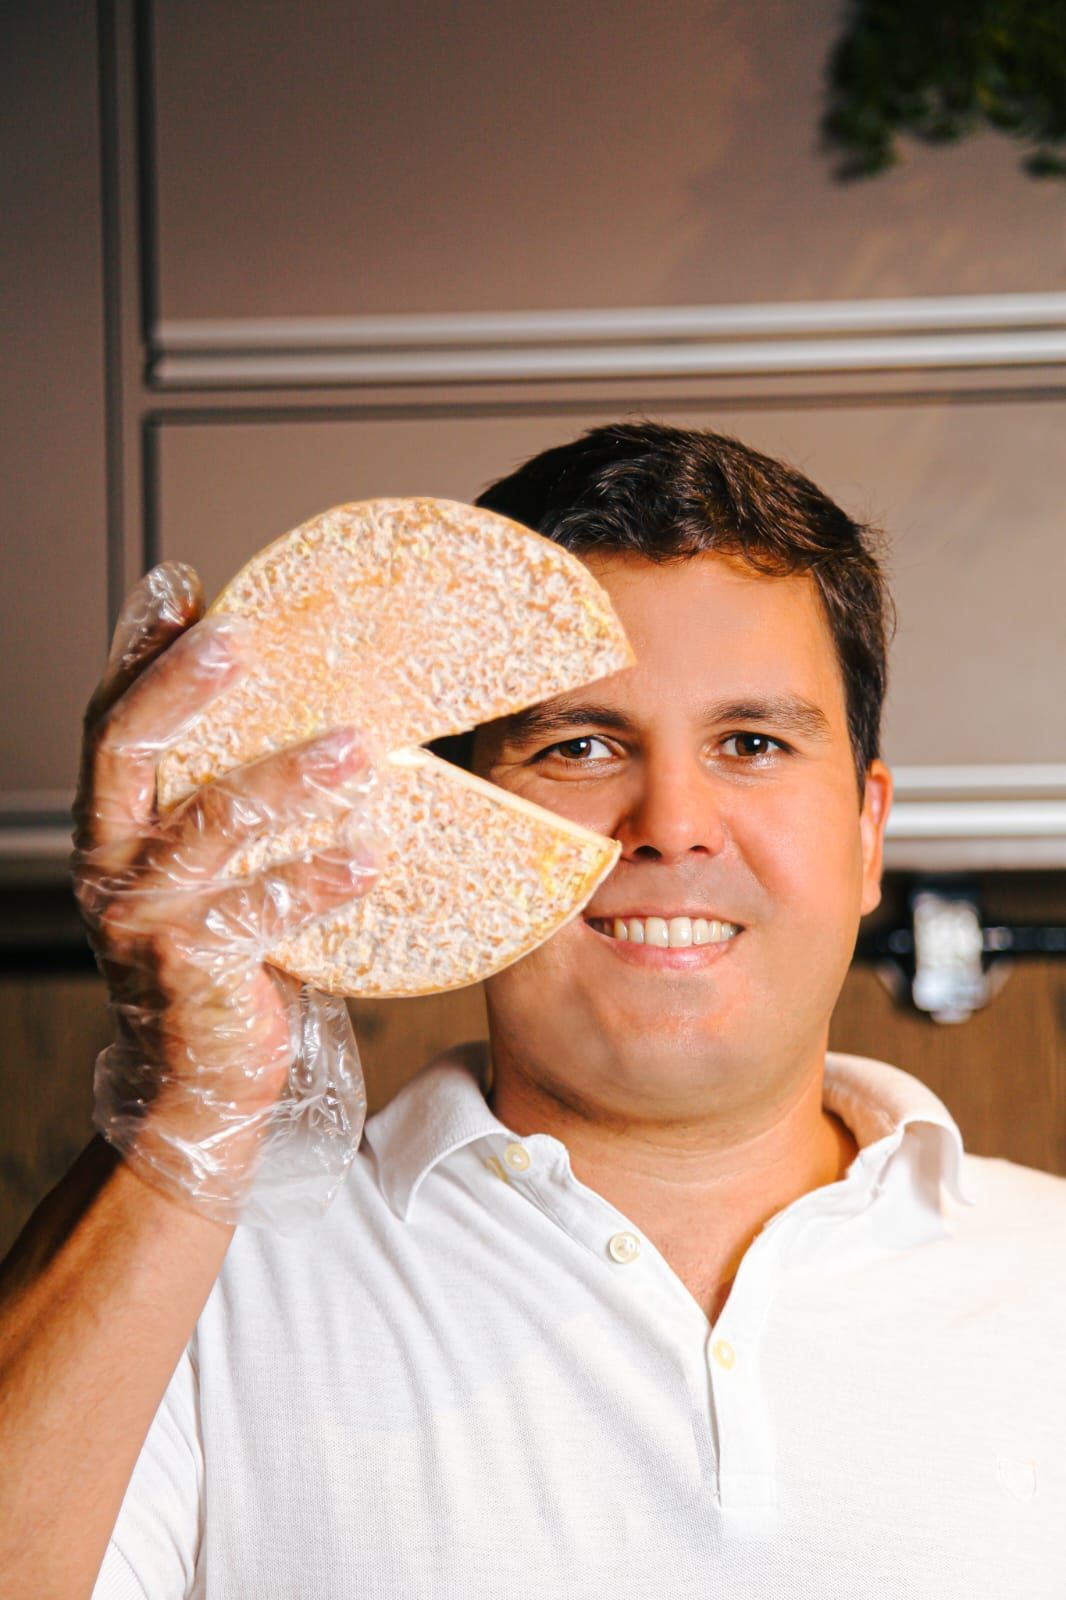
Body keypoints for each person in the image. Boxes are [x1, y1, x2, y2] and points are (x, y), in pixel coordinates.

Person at [1, 421, 1063, 1599]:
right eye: (581, 743)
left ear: (867, 832)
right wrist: (192, 1109)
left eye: (752, 742)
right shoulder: (199, 1294)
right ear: (443, 823)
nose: (671, 822)